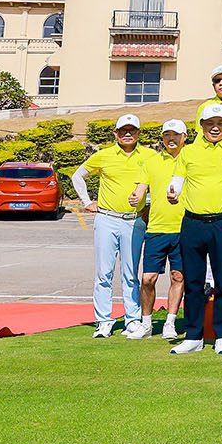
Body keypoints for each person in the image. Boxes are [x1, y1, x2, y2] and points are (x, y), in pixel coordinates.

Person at [166, 104, 222, 355]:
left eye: (220, 123)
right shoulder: (189, 152)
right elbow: (177, 182)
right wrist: (173, 193)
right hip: (192, 223)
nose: (215, 127)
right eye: (210, 123)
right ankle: (194, 335)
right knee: (193, 282)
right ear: (201, 125)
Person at [73, 114, 149, 339]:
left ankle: (132, 319)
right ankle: (104, 321)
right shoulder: (104, 155)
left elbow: (158, 181)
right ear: (116, 133)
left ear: (138, 133)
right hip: (107, 218)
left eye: (132, 130)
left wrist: (149, 204)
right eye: (123, 130)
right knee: (104, 273)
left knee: (131, 273)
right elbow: (78, 176)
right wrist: (87, 202)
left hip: (134, 220)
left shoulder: (149, 156)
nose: (128, 134)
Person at [139, 119, 188, 339]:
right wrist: (136, 197)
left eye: (175, 134)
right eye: (167, 134)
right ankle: (146, 324)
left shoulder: (191, 160)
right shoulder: (152, 162)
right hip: (156, 228)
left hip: (184, 229)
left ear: (184, 137)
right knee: (148, 279)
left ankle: (170, 322)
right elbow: (141, 187)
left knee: (178, 276)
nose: (171, 138)